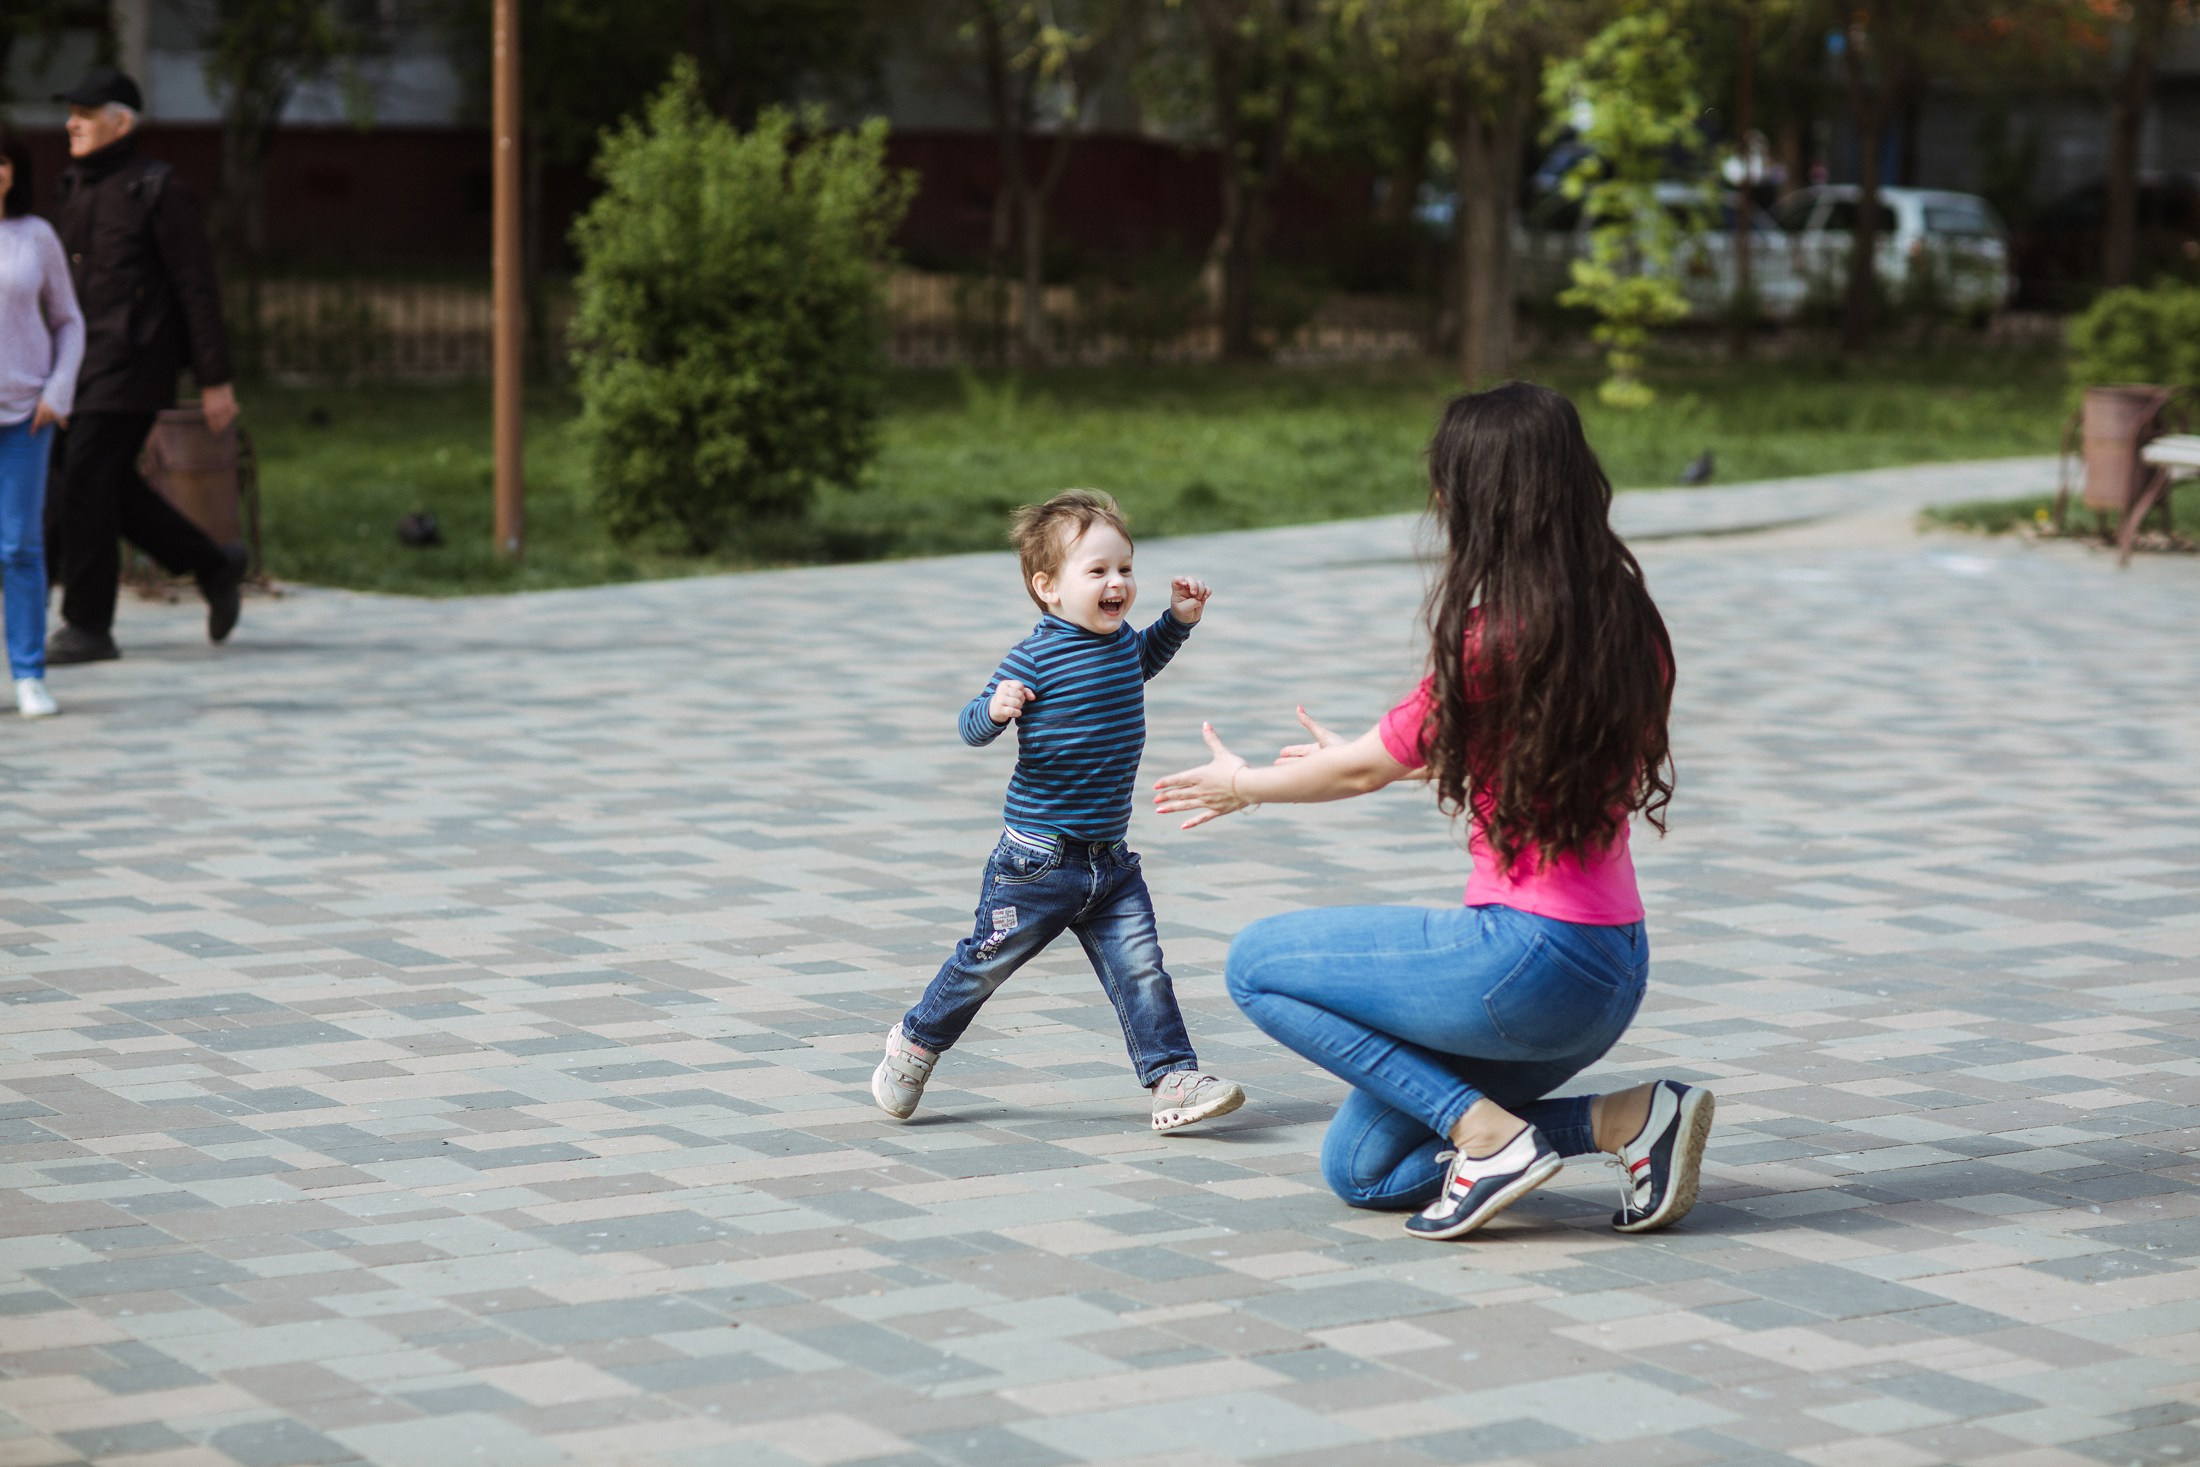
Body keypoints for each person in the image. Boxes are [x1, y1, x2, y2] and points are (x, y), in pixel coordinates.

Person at [1155, 383, 1713, 1240]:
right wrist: (1380, 755)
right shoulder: (1626, 622)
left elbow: (1358, 772)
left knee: (1256, 964)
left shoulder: (1492, 640)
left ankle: (1487, 1137)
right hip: (1610, 970)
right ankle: (1628, 1120)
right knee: (1363, 1168)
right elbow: (1539, 761)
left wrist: (1243, 784)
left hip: (1530, 962)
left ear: (1480, 499)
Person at [873, 490, 1247, 1134]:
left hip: (1110, 863)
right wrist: (995, 710)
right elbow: (969, 724)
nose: (1116, 583)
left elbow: (1141, 660)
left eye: (1125, 568)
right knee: (983, 964)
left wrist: (1177, 621)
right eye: (1097, 571)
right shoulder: (1035, 656)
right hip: (1037, 863)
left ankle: (1172, 1079)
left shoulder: (1120, 640)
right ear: (1047, 587)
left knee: (1143, 970)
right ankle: (916, 1042)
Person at [45, 67, 247, 665]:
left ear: (121, 123)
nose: (71, 124)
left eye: (85, 115)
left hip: (132, 365)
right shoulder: (73, 185)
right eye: (70, 114)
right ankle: (212, 563)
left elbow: (196, 287)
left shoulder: (158, 189)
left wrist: (215, 378)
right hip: (78, 364)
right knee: (98, 482)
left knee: (87, 477)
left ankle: (88, 625)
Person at [0, 123, 82, 718]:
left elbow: (69, 320)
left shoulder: (36, 237)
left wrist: (58, 391)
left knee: (19, 546)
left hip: (27, 417)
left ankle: (28, 673)